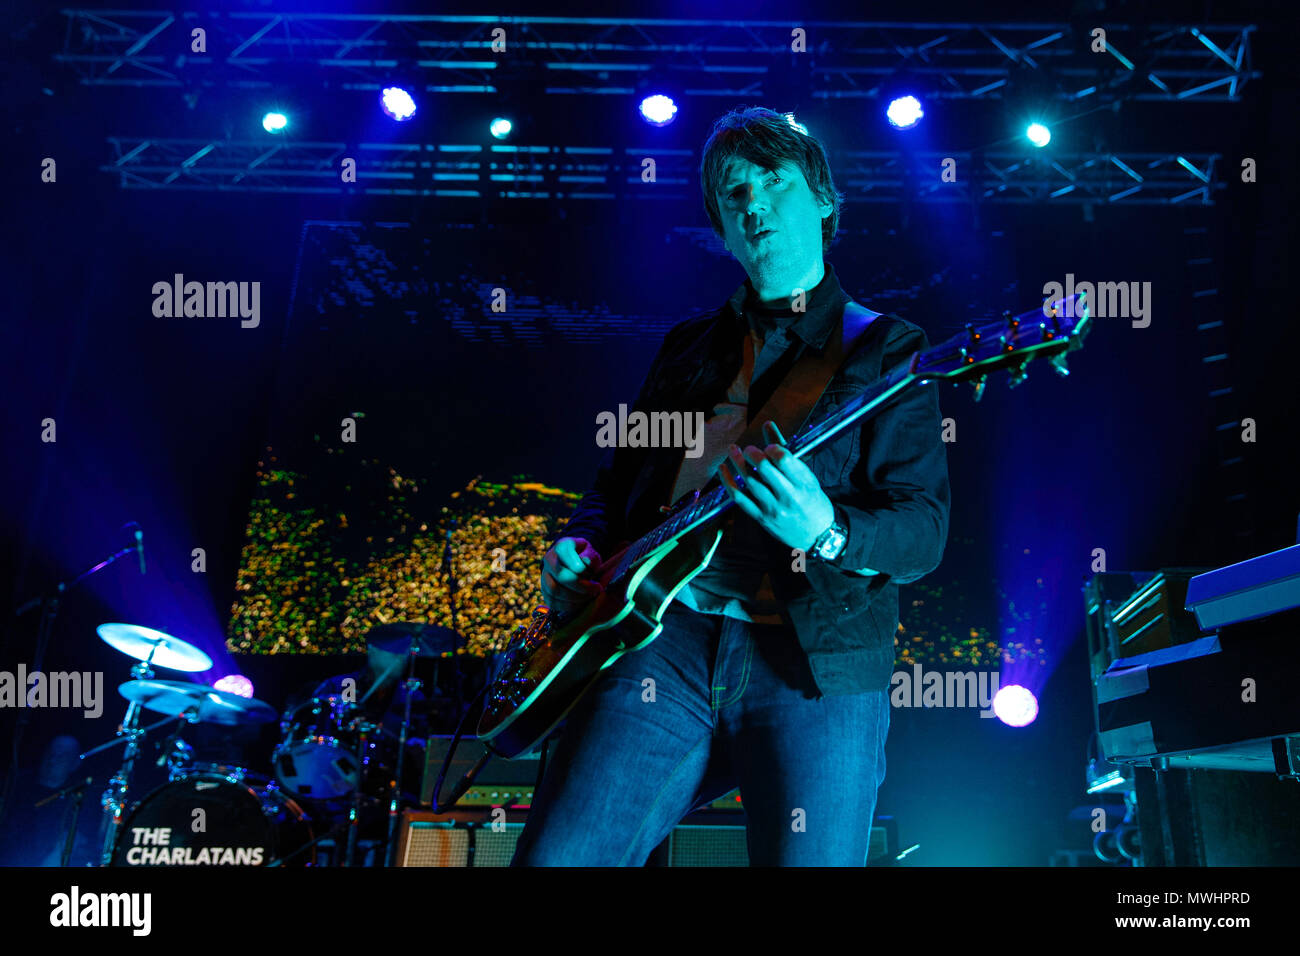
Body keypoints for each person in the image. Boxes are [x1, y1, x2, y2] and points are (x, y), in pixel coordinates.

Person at [512, 106, 950, 866]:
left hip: (813, 661)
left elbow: (922, 530)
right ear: (721, 229)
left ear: (822, 199)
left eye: (772, 182)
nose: (752, 202)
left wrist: (827, 529)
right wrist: (579, 545)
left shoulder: (889, 350)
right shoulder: (687, 347)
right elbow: (613, 485)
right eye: (732, 193)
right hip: (661, 641)